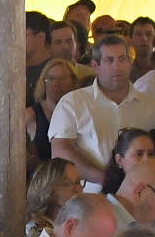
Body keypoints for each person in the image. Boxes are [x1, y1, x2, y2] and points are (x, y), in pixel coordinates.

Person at [47, 34, 140, 183]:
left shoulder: (151, 105)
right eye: (109, 60)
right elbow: (60, 152)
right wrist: (104, 180)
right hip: (90, 197)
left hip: (140, 195)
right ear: (95, 66)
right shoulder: (72, 102)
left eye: (122, 59)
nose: (117, 66)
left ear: (130, 62)